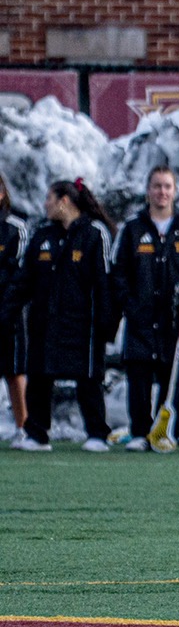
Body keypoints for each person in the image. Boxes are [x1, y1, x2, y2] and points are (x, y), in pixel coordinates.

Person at [1, 180, 117, 452]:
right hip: (44, 322)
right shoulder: (42, 236)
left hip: (82, 325)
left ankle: (97, 434)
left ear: (65, 201)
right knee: (39, 378)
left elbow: (104, 284)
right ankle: (37, 434)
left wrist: (106, 324)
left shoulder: (94, 234)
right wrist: (6, 312)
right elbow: (23, 281)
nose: (45, 204)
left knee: (88, 379)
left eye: (49, 199)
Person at [111, 166, 179, 452]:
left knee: (173, 377)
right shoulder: (132, 229)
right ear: (148, 190)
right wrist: (129, 304)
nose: (162, 192)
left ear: (174, 191)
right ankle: (140, 432)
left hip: (175, 320)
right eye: (157, 186)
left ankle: (164, 429)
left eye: (167, 186)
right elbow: (118, 273)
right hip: (141, 319)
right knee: (139, 378)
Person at [0, 172, 27, 447]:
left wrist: (8, 305)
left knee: (14, 371)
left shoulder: (15, 228)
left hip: (9, 314)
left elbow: (19, 273)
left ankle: (23, 428)